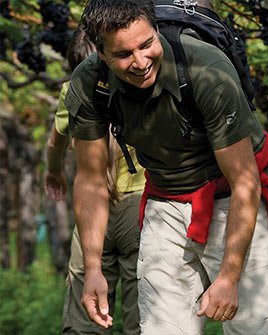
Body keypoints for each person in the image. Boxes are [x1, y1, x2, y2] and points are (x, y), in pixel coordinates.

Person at [65, 0, 268, 334]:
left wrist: (229, 276)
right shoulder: (89, 83)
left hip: (231, 198)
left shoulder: (207, 70)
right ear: (100, 53)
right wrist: (93, 268)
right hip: (165, 199)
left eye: (147, 45)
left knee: (255, 327)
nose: (141, 62)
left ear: (156, 29)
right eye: (123, 54)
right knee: (163, 328)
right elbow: (91, 180)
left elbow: (245, 183)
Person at [45, 26, 144, 335]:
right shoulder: (138, 83)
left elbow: (54, 143)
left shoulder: (71, 90)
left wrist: (55, 171)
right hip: (139, 205)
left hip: (92, 211)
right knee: (140, 317)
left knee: (85, 315)